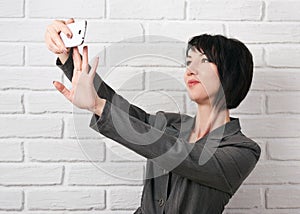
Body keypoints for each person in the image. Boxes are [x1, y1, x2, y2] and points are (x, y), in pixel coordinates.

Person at [45, 18, 261, 214]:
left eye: (203, 61)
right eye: (188, 63)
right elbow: (118, 108)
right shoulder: (168, 123)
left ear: (230, 73)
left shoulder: (243, 150)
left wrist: (98, 106)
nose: (190, 70)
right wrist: (66, 52)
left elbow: (182, 154)